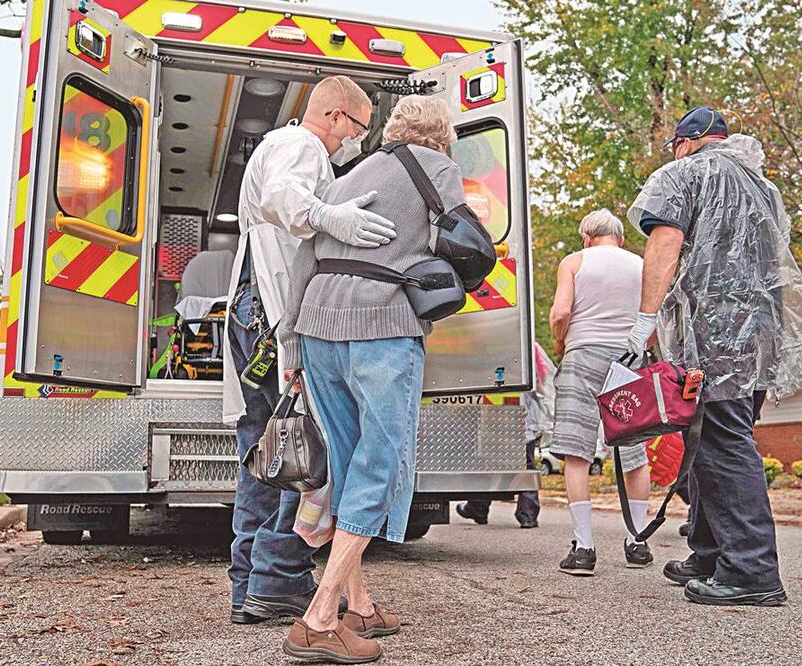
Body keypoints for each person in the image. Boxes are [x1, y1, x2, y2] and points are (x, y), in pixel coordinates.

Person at [276, 95, 464, 664]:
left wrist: (291, 338)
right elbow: (459, 244)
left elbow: (303, 261)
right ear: (441, 136)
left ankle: (359, 603)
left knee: (348, 458)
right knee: (379, 461)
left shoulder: (344, 176)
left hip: (318, 326)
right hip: (381, 327)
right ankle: (319, 615)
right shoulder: (441, 171)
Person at [626, 106, 802, 606]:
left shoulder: (681, 173)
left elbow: (665, 242)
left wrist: (643, 319)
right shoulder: (763, 187)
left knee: (721, 441)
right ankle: (710, 552)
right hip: (760, 335)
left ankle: (751, 571)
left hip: (713, 334)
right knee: (705, 441)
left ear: (685, 142)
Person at [224, 76, 398, 625]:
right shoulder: (298, 146)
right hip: (275, 310)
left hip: (254, 308)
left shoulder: (282, 147)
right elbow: (285, 200)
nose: (358, 142)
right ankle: (277, 584)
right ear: (337, 115)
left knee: (267, 451)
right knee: (303, 455)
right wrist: (328, 216)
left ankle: (251, 586)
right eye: (359, 129)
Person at [548, 208, 654, 576]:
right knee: (634, 451)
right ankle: (638, 541)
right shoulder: (641, 264)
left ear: (587, 237)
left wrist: (561, 342)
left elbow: (561, 313)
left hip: (583, 355)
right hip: (629, 360)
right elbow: (653, 318)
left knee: (576, 452)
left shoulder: (574, 262)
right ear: (620, 238)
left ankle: (584, 548)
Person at [456, 344, 556, 528]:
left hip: (498, 413)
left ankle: (478, 507)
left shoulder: (495, 344)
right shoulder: (531, 347)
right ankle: (528, 514)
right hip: (525, 415)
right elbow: (542, 384)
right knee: (525, 464)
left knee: (485, 462)